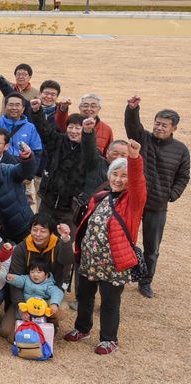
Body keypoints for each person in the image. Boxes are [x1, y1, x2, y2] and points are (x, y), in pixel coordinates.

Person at [65, 140, 144, 355]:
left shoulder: (133, 202)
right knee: (85, 296)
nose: (118, 180)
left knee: (109, 302)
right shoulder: (100, 196)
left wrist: (135, 159)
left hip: (113, 263)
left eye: (123, 176)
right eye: (115, 174)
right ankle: (82, 328)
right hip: (90, 259)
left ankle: (109, 339)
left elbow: (138, 183)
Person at [124, 96, 189, 298]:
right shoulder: (142, 138)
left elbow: (183, 176)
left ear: (174, 128)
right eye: (157, 123)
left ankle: (145, 281)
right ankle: (118, 275)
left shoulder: (181, 150)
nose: (159, 127)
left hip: (157, 205)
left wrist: (172, 194)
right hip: (134, 202)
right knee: (123, 240)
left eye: (164, 125)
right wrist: (132, 109)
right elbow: (132, 125)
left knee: (152, 248)